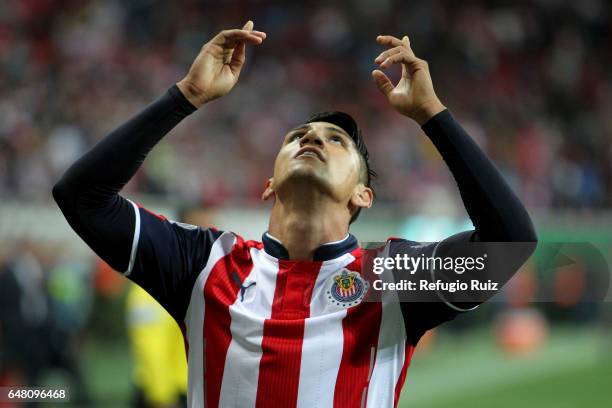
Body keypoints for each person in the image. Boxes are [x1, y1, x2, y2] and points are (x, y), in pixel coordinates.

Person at [53, 20, 536, 408]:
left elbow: (510, 241)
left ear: (362, 196)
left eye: (336, 140)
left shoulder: (391, 278)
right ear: (269, 186)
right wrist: (185, 96)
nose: (312, 139)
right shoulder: (204, 264)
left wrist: (432, 113)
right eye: (297, 137)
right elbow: (81, 197)